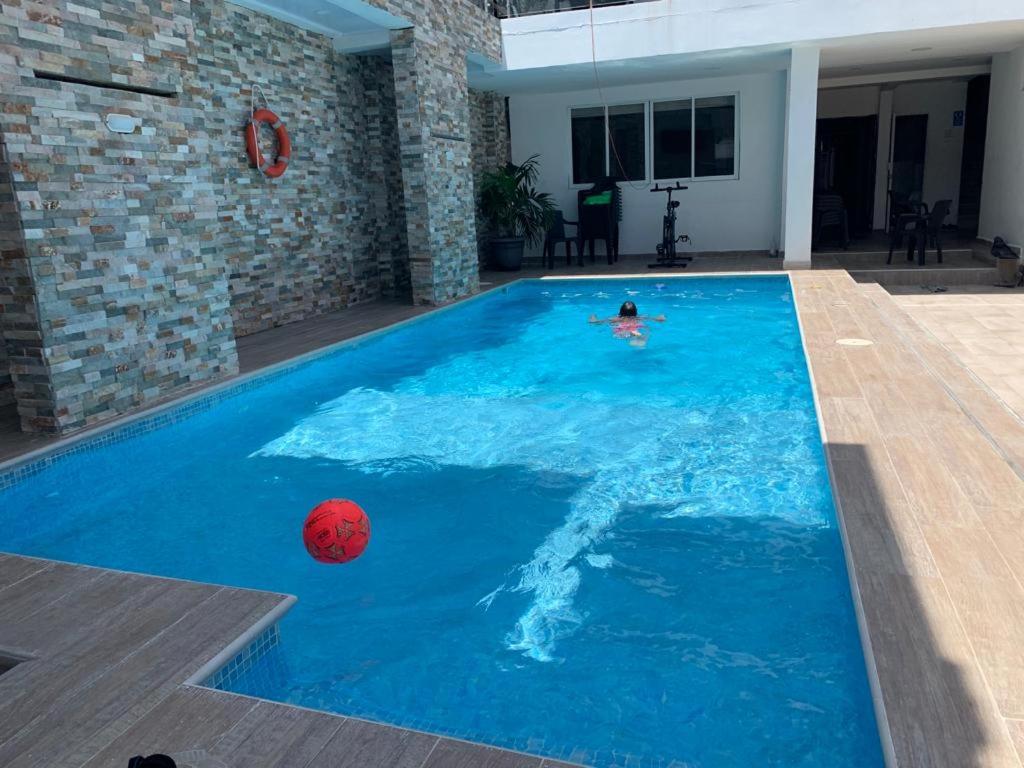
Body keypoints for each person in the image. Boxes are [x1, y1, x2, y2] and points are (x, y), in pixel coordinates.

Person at [589, 301, 666, 347]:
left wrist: (593, 316)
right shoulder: (640, 318)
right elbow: (661, 320)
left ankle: (632, 334)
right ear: (636, 311)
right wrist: (662, 315)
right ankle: (635, 334)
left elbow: (594, 322)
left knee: (622, 334)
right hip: (636, 326)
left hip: (621, 328)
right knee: (642, 331)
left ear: (620, 311)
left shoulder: (615, 319)